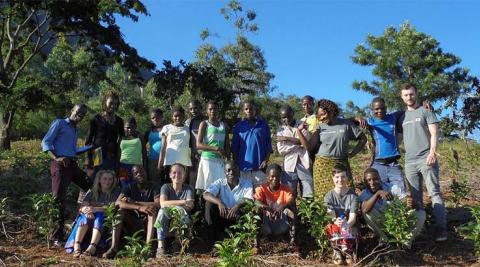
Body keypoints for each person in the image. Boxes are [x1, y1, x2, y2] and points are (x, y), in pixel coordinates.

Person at [356, 97, 433, 197]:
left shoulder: (393, 117)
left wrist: (422, 102)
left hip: (393, 165)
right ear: (372, 110)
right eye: (376, 109)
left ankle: (400, 211)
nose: (380, 111)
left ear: (386, 108)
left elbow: (410, 109)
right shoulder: (370, 122)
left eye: (382, 108)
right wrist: (357, 118)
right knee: (376, 192)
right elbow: (350, 121)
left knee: (400, 194)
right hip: (378, 164)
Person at [399, 83, 447, 242]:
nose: (409, 97)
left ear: (416, 94)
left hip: (427, 158)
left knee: (434, 193)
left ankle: (441, 229)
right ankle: (420, 230)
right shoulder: (401, 117)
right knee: (415, 197)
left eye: (411, 94)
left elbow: (434, 133)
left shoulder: (426, 111)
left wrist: (433, 152)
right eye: (406, 95)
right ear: (402, 96)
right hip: (410, 162)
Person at [41, 103, 92, 245]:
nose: (79, 115)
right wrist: (56, 157)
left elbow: (73, 150)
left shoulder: (75, 129)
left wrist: (91, 146)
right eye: (78, 112)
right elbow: (46, 141)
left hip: (72, 164)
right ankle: (56, 236)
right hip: (60, 164)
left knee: (90, 185)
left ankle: (81, 220)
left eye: (82, 114)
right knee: (58, 199)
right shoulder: (60, 123)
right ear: (72, 110)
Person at [299, 99, 367, 198]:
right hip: (322, 166)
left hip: (341, 164)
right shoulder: (320, 127)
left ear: (331, 111)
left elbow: (363, 139)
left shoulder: (346, 124)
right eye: (318, 116)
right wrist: (299, 131)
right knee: (324, 197)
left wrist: (353, 153)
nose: (321, 118)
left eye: (323, 114)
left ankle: (349, 213)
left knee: (347, 194)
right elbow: (309, 147)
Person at [102, 165, 160, 259]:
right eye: (136, 173)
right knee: (120, 211)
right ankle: (113, 248)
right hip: (132, 221)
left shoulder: (154, 186)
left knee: (151, 211)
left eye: (141, 171)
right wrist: (139, 207)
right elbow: (118, 203)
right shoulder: (128, 187)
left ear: (146, 173)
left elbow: (158, 204)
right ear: (133, 176)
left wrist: (136, 202)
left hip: (148, 222)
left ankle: (147, 248)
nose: (139, 174)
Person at [359, 168, 425, 247]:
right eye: (369, 180)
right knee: (367, 213)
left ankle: (406, 243)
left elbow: (405, 199)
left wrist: (412, 203)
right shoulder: (364, 194)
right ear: (365, 182)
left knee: (420, 213)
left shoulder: (391, 187)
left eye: (375, 179)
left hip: (397, 221)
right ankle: (385, 241)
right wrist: (378, 193)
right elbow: (365, 209)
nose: (372, 183)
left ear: (380, 179)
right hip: (382, 225)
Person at [65, 170, 121, 257]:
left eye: (110, 179)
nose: (107, 181)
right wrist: (87, 211)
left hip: (104, 218)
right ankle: (77, 245)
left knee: (99, 216)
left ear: (113, 181)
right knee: (85, 217)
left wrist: (95, 209)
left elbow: (113, 208)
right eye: (105, 179)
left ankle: (92, 247)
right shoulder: (92, 191)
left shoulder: (116, 192)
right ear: (99, 180)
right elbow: (83, 206)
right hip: (88, 217)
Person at [202, 160, 253, 245]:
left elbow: (249, 199)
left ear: (238, 171)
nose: (231, 172)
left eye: (234, 170)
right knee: (209, 204)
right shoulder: (220, 182)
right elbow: (206, 194)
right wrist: (219, 202)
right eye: (228, 170)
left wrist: (236, 207)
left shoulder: (246, 183)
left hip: (237, 217)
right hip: (223, 216)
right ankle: (212, 243)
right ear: (224, 172)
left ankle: (245, 241)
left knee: (250, 207)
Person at [155, 163, 195, 257]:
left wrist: (172, 205)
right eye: (174, 172)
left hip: (183, 217)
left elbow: (189, 207)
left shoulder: (189, 189)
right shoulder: (165, 187)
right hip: (167, 216)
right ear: (169, 175)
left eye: (180, 173)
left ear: (184, 175)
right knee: (161, 212)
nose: (177, 175)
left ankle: (178, 244)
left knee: (181, 212)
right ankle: (160, 247)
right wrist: (183, 202)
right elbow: (162, 204)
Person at [255, 164, 297, 250]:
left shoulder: (286, 189)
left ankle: (293, 241)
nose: (275, 179)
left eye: (277, 176)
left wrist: (282, 208)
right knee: (257, 209)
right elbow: (256, 201)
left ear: (280, 177)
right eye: (272, 176)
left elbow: (291, 200)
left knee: (292, 210)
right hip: (266, 225)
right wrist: (268, 208)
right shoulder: (261, 188)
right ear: (267, 177)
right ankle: (256, 244)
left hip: (282, 224)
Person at [231, 100, 273, 187]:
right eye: (246, 109)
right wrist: (236, 165)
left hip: (260, 167)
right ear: (243, 111)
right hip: (243, 167)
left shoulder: (263, 125)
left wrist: (266, 160)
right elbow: (235, 147)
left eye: (251, 108)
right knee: (245, 197)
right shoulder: (238, 126)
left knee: (259, 196)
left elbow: (268, 144)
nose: (249, 111)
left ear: (255, 109)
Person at [276, 105, 313, 198]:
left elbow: (305, 142)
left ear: (293, 113)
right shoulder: (280, 130)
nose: (287, 119)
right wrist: (298, 142)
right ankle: (291, 212)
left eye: (289, 116)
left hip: (304, 163)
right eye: (284, 117)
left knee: (308, 191)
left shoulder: (302, 125)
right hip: (289, 165)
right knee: (289, 194)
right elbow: (281, 150)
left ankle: (308, 212)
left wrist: (286, 139)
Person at [324, 165, 358, 265]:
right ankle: (337, 250)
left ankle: (348, 251)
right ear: (333, 178)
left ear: (347, 178)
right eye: (337, 177)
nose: (340, 180)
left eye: (343, 176)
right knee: (332, 227)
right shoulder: (329, 196)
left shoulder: (353, 196)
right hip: (336, 225)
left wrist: (346, 224)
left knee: (350, 230)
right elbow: (331, 214)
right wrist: (335, 220)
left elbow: (353, 217)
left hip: (349, 225)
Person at [85, 90, 124, 172]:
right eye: (111, 103)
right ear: (105, 102)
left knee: (111, 180)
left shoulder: (119, 121)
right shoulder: (96, 119)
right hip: (97, 154)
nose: (113, 106)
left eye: (115, 104)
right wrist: (88, 159)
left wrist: (119, 156)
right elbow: (88, 141)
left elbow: (122, 139)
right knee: (98, 179)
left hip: (113, 155)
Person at [196, 101, 229, 192]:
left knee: (221, 188)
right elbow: (198, 144)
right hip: (208, 160)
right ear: (207, 111)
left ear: (218, 110)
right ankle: (207, 206)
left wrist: (228, 160)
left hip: (220, 161)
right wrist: (216, 148)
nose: (212, 111)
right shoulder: (204, 124)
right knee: (209, 189)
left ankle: (219, 206)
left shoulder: (223, 125)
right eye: (210, 109)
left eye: (215, 109)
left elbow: (227, 145)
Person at [158, 106, 192, 181]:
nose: (178, 118)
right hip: (170, 162)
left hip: (184, 162)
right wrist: (160, 164)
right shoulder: (166, 128)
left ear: (183, 116)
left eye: (180, 115)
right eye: (175, 116)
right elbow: (163, 147)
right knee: (169, 185)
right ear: (172, 117)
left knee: (183, 186)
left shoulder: (188, 128)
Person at [118, 118, 147, 186]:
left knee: (136, 186)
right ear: (123, 127)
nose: (130, 130)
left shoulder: (140, 137)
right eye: (127, 128)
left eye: (132, 127)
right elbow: (118, 154)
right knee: (124, 185)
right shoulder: (121, 137)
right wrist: (117, 167)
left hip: (137, 167)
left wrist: (145, 168)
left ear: (135, 127)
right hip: (123, 166)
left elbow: (144, 154)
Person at [185, 100, 206, 187]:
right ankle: (193, 200)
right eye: (191, 109)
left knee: (204, 179)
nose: (193, 111)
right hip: (192, 155)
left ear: (201, 108)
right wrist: (192, 154)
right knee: (192, 180)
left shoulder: (206, 121)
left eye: (196, 108)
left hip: (205, 154)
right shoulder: (188, 122)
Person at [144, 108, 164, 186]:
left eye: (158, 117)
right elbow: (142, 144)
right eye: (153, 118)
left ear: (162, 117)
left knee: (166, 181)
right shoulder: (149, 131)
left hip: (166, 160)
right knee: (154, 182)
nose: (155, 119)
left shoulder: (168, 129)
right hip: (152, 160)